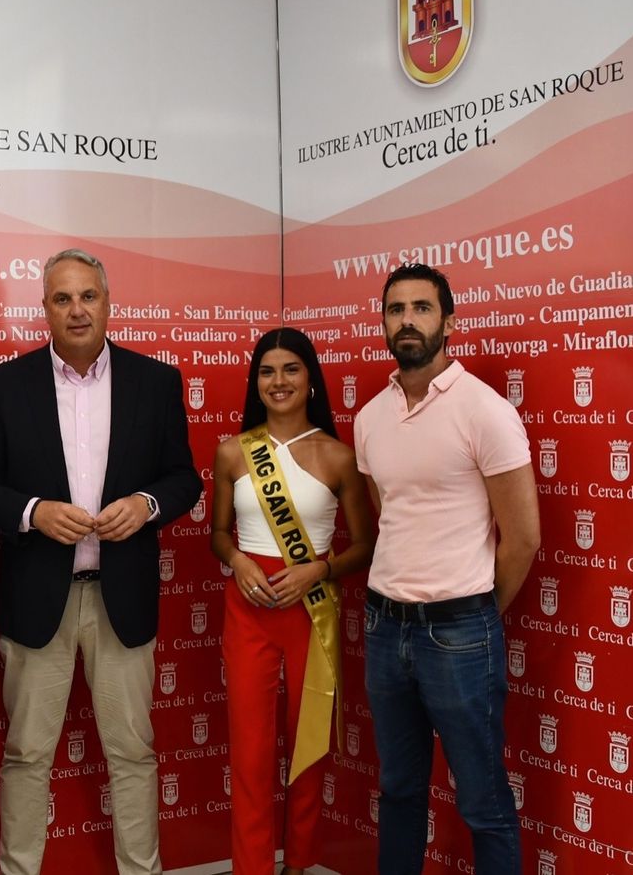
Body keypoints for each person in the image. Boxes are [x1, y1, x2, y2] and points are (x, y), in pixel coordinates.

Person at [0, 248, 201, 875]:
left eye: (88, 296)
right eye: (62, 298)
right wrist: (33, 512)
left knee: (132, 752)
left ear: (107, 301)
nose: (76, 310)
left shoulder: (156, 381)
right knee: (26, 754)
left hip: (120, 597)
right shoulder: (4, 384)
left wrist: (148, 503)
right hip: (37, 596)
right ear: (44, 308)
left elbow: (184, 478)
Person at [354, 264, 540, 875]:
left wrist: (474, 614)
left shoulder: (484, 411)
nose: (407, 320)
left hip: (460, 635)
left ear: (448, 321)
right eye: (395, 309)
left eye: (422, 308)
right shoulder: (370, 417)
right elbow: (390, 514)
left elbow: (522, 538)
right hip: (385, 628)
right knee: (399, 792)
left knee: (484, 802)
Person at [208, 328, 373, 875]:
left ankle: (298, 864)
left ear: (310, 378)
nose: (278, 382)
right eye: (267, 371)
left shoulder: (338, 455)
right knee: (251, 754)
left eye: (290, 369)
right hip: (248, 608)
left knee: (308, 751)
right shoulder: (233, 452)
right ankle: (251, 867)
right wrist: (239, 562)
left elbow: (367, 545)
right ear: (256, 382)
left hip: (313, 609)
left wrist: (319, 570)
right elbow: (219, 535)